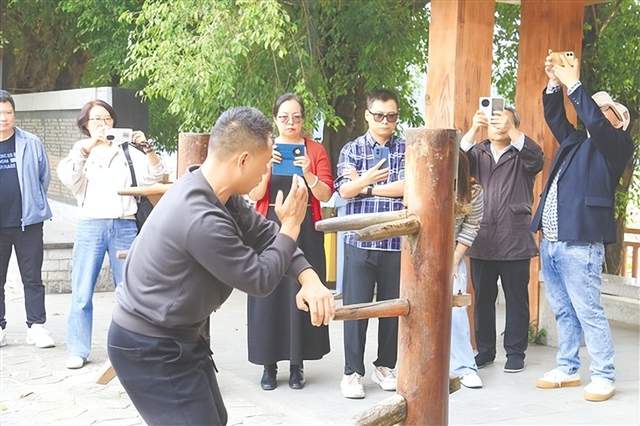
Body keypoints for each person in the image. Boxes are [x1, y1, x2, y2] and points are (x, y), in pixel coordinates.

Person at [108, 106, 335, 426]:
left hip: (180, 336)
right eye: (264, 163)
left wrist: (308, 276)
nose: (266, 171)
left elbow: (264, 233)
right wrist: (291, 227)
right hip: (150, 346)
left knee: (216, 418)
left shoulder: (216, 192)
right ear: (243, 160)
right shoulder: (200, 215)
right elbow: (259, 278)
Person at [532, 53, 633, 402]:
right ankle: (568, 368)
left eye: (606, 110)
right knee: (563, 309)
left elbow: (594, 121)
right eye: (597, 108)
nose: (598, 112)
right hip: (552, 241)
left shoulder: (617, 145)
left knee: (588, 311)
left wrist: (574, 82)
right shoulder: (575, 141)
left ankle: (604, 375)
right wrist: (554, 82)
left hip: (581, 242)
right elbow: (554, 116)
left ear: (619, 122)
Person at [57, 100, 166, 369]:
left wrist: (148, 148)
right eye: (96, 119)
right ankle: (78, 349)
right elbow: (69, 178)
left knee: (129, 290)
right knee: (82, 291)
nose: (103, 124)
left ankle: (128, 348)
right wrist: (88, 147)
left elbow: (157, 175)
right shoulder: (80, 150)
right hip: (91, 225)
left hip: (124, 225)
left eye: (107, 118)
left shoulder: (127, 150)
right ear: (85, 124)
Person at [247, 94, 333, 390]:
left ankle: (298, 364)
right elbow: (254, 194)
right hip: (268, 226)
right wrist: (267, 168)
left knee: (302, 290)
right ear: (275, 119)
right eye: (284, 117)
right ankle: (268, 364)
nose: (291, 123)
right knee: (267, 292)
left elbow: (326, 194)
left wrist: (308, 172)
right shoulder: (263, 149)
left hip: (306, 226)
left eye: (296, 117)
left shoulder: (315, 149)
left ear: (303, 120)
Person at [460, 105, 544, 374]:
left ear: (514, 125)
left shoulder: (523, 153)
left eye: (504, 120)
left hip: (514, 237)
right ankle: (485, 350)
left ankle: (515, 353)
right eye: (494, 120)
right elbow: (455, 163)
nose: (498, 125)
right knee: (483, 298)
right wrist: (473, 129)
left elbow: (537, 159)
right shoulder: (477, 152)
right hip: (482, 236)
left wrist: (513, 130)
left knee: (516, 298)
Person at [335, 89, 405, 399]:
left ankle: (385, 366)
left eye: (391, 116)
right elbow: (345, 190)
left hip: (396, 240)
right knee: (356, 308)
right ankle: (352, 371)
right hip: (359, 240)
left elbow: (408, 186)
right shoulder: (351, 149)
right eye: (379, 115)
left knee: (392, 309)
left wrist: (365, 185)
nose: (385, 121)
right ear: (367, 115)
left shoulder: (406, 148)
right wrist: (365, 184)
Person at [0, 90, 54, 349]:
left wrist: (35, 204)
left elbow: (44, 177)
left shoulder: (31, 142)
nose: (4, 118)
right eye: (0, 113)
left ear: (14, 114)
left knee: (32, 277)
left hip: (27, 223)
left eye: (8, 112)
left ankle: (36, 326)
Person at [451, 150, 484, 389]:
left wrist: (454, 259)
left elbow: (471, 226)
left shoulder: (473, 190)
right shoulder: (422, 183)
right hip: (420, 253)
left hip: (454, 251)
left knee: (456, 309)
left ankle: (464, 367)